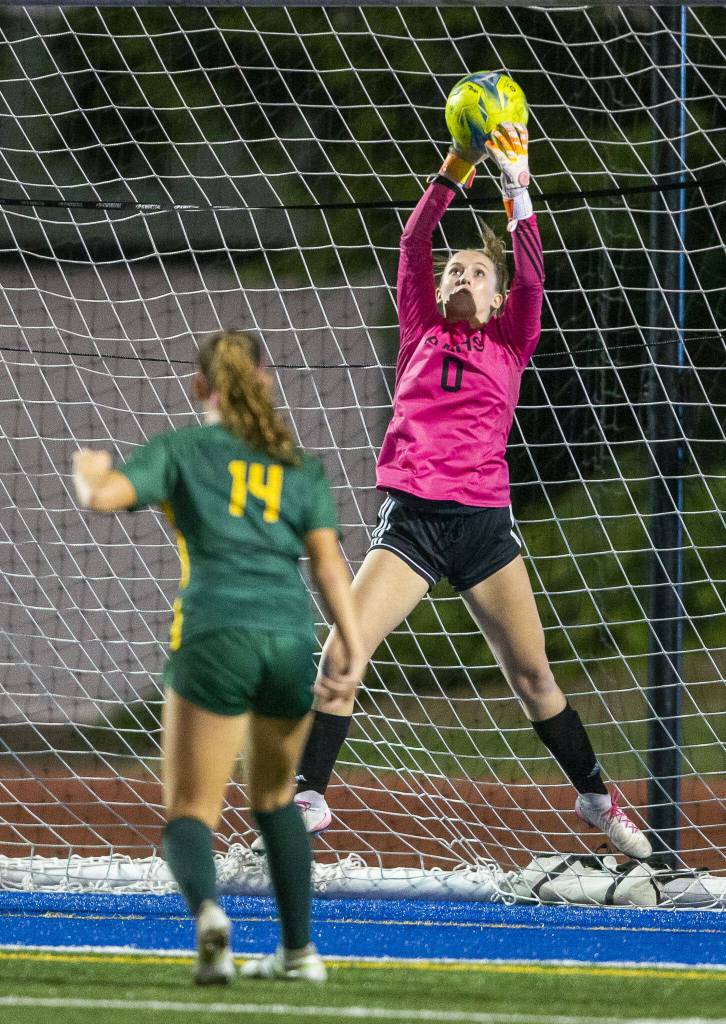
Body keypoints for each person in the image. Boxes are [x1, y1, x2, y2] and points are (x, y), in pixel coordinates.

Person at [273, 123, 652, 862]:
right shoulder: (419, 329)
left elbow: (534, 276)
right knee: (342, 653)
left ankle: (596, 797)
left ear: (498, 293)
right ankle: (310, 795)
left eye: (476, 272)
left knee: (532, 674)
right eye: (454, 272)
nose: (459, 278)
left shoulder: (512, 338)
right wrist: (457, 165)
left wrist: (518, 188)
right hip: (411, 524)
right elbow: (415, 240)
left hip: (482, 525)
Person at [72, 329, 365, 984]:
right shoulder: (299, 465)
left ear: (199, 388)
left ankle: (209, 914)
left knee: (191, 813)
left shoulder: (181, 449)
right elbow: (326, 563)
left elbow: (107, 497)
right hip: (289, 640)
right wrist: (351, 641)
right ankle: (299, 955)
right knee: (275, 799)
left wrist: (90, 475)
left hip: (214, 637)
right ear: (264, 382)